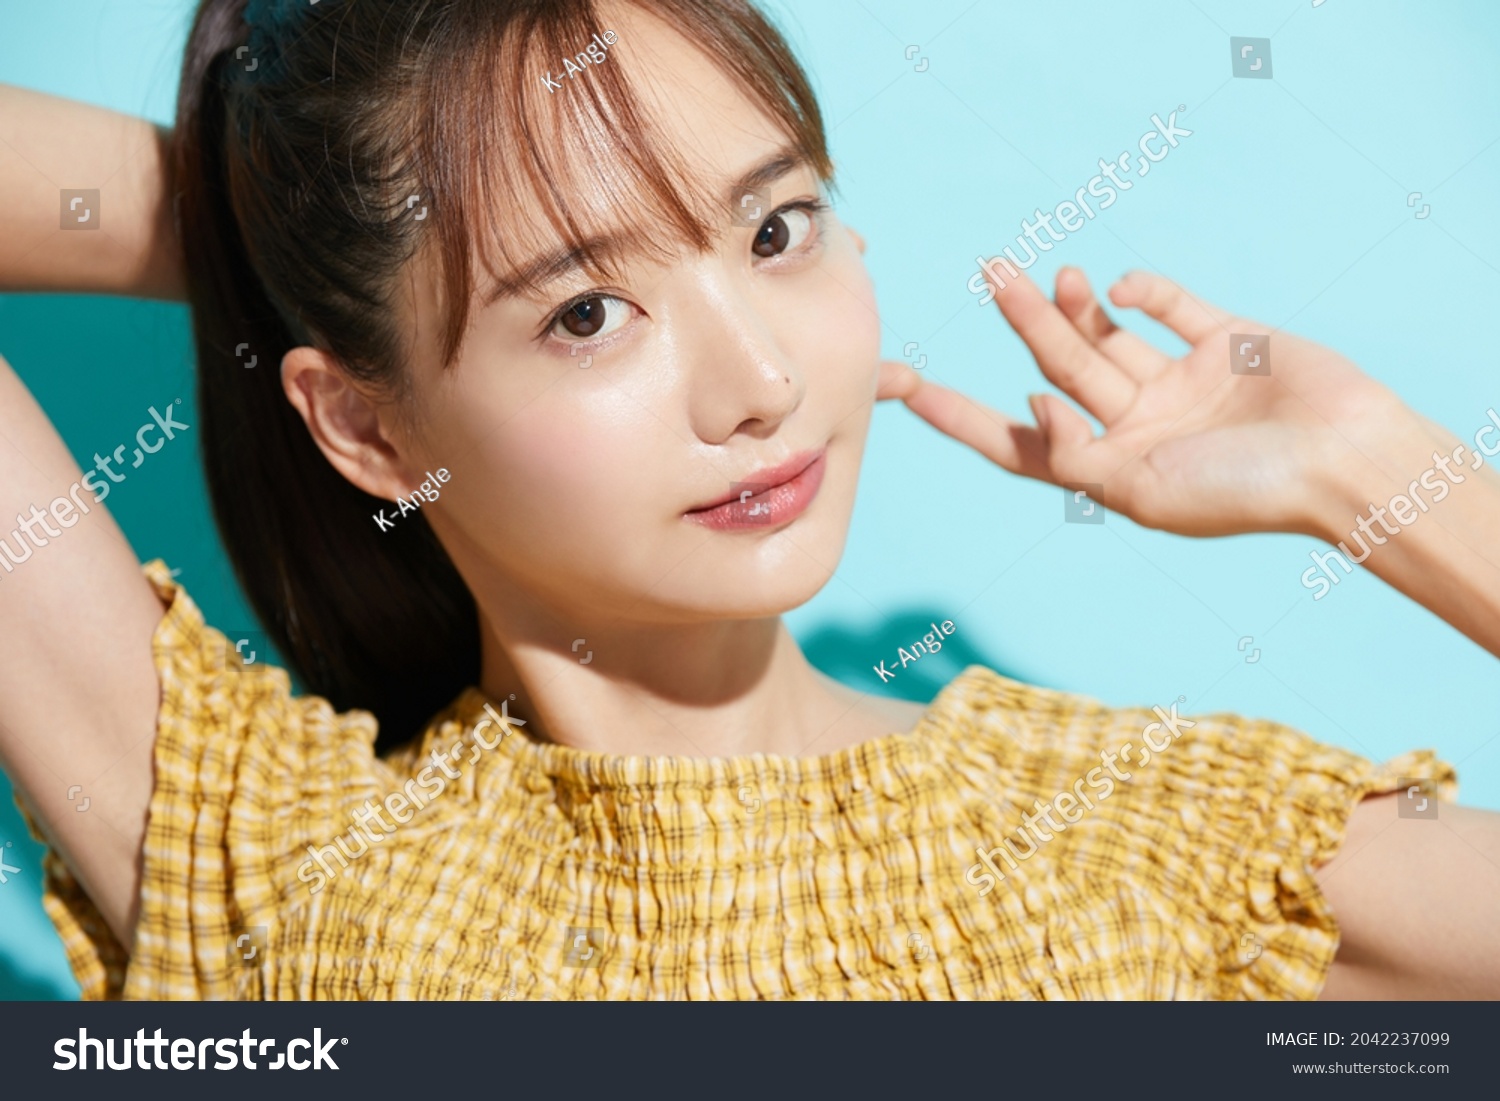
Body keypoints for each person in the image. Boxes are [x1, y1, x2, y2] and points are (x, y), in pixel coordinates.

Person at [0, 0, 1496, 1001]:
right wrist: (290, 233)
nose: (759, 378)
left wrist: (1373, 476)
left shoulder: (1144, 835)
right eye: (585, 311)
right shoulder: (264, 854)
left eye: (779, 228)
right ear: (364, 427)